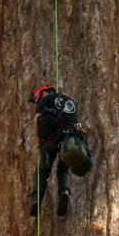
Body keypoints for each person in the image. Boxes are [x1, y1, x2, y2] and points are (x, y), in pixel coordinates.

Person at [29, 85, 86, 217]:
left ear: (43, 94)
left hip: (53, 138)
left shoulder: (45, 100)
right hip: (71, 139)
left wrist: (38, 140)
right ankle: (64, 192)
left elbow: (37, 118)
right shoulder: (69, 101)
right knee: (63, 169)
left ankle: (36, 198)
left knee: (42, 170)